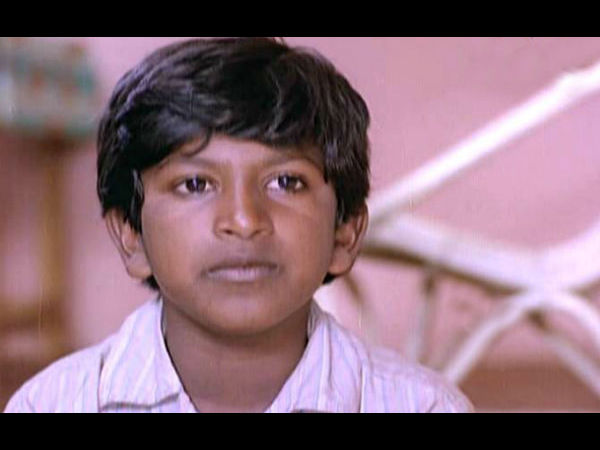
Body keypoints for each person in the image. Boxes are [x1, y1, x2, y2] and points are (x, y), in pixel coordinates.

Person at [5, 37, 473, 413]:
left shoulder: (423, 406)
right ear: (131, 235)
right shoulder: (53, 404)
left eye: (286, 182)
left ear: (345, 230)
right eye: (195, 184)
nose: (244, 221)